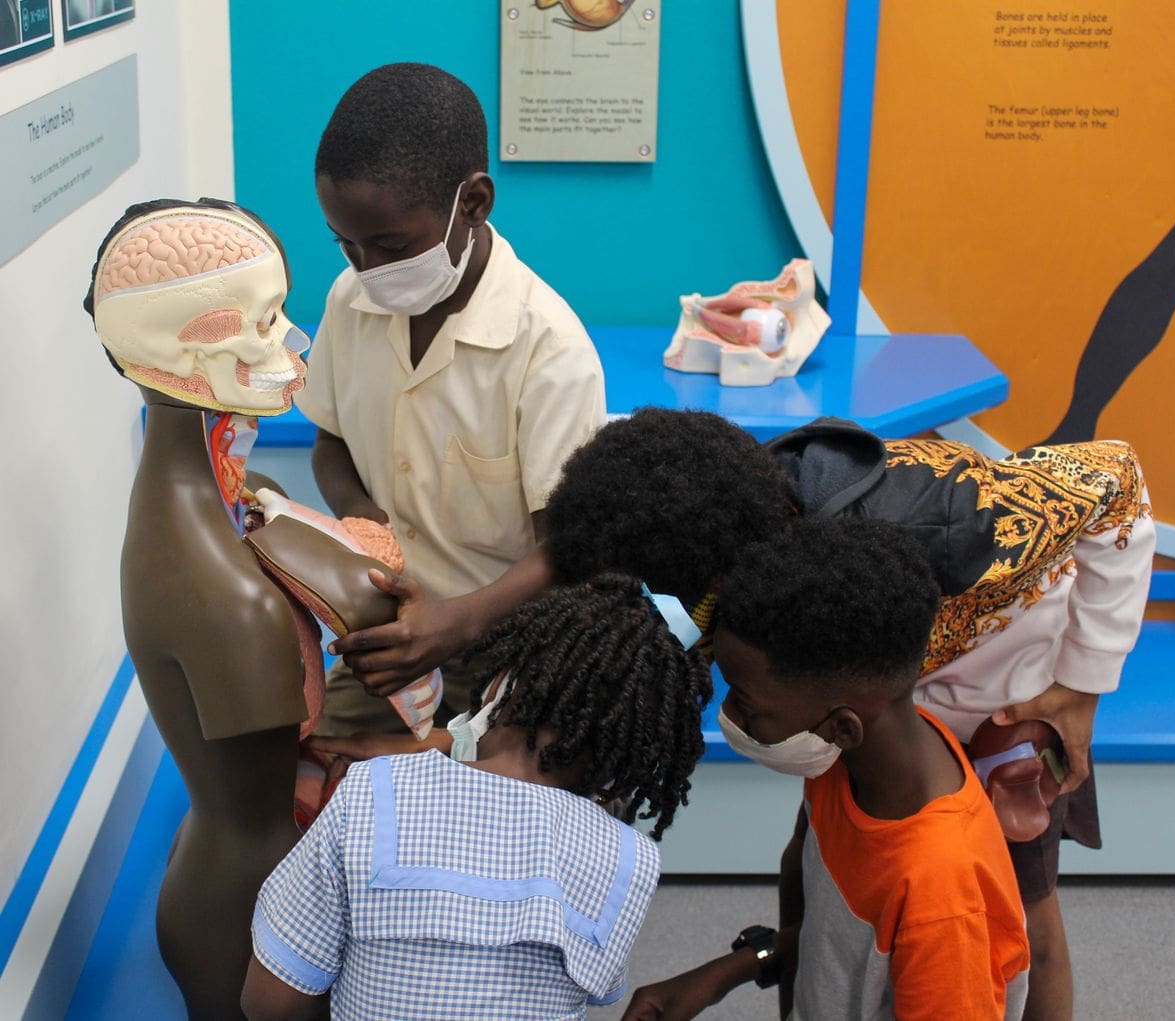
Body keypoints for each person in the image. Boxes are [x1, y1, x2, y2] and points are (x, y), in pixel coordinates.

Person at [545, 408, 1154, 1020]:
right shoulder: (743, 580)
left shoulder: (944, 514)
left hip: (1010, 700)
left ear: (716, 570)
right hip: (880, 710)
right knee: (832, 871)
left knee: (1017, 916)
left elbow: (1118, 480)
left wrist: (1084, 683)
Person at [240, 575, 713, 1021]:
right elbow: (598, 989)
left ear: (500, 681)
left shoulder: (370, 792)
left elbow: (269, 1001)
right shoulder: (630, 859)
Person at [296, 62, 605, 735]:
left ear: (474, 203)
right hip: (394, 633)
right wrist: (364, 521)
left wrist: (454, 623)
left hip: (515, 649)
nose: (368, 272)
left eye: (392, 245)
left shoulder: (547, 349)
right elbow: (331, 442)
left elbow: (570, 553)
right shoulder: (350, 301)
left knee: (490, 818)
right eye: (346, 245)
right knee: (314, 782)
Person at [622, 519, 1030, 1019]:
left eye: (746, 703)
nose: (729, 715)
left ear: (843, 727)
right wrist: (728, 972)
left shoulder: (943, 892)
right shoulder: (852, 761)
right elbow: (837, 933)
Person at [84, 198, 314, 1017]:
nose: (290, 342)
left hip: (219, 871)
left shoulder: (190, 505)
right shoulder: (231, 601)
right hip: (245, 923)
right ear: (162, 350)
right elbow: (265, 804)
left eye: (281, 311)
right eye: (256, 322)